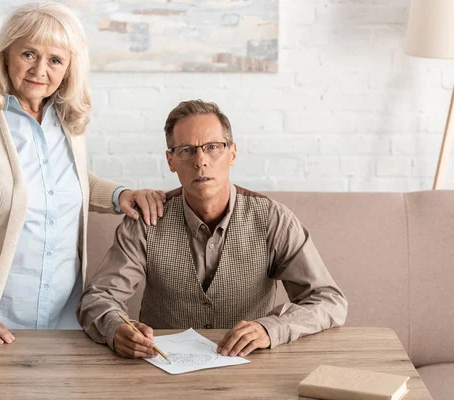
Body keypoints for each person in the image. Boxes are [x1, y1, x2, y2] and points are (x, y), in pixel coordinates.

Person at [0, 2, 165, 346]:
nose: (40, 69)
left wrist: (119, 195)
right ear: (6, 55)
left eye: (55, 60)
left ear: (68, 69)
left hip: (66, 315)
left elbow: (71, 180)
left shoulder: (69, 123)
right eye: (29, 54)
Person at [78, 100, 348, 359]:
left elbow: (328, 300)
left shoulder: (272, 219)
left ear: (232, 153)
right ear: (170, 161)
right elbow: (99, 297)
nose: (200, 161)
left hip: (253, 369)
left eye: (213, 147)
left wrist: (271, 329)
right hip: (161, 370)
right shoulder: (147, 220)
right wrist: (115, 328)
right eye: (186, 150)